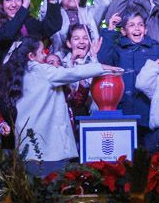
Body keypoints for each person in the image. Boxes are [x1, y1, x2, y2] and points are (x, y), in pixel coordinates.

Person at [8, 35, 108, 164]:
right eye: (42, 51)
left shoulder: (18, 70)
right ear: (31, 56)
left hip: (28, 144)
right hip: (48, 149)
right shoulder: (42, 70)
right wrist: (100, 67)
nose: (45, 55)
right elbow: (72, 73)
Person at [99, 7, 159, 131]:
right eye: (131, 25)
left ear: (146, 29)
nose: (137, 28)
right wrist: (110, 30)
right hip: (124, 107)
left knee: (148, 146)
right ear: (123, 31)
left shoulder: (156, 50)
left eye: (140, 25)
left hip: (148, 107)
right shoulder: (117, 49)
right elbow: (103, 60)